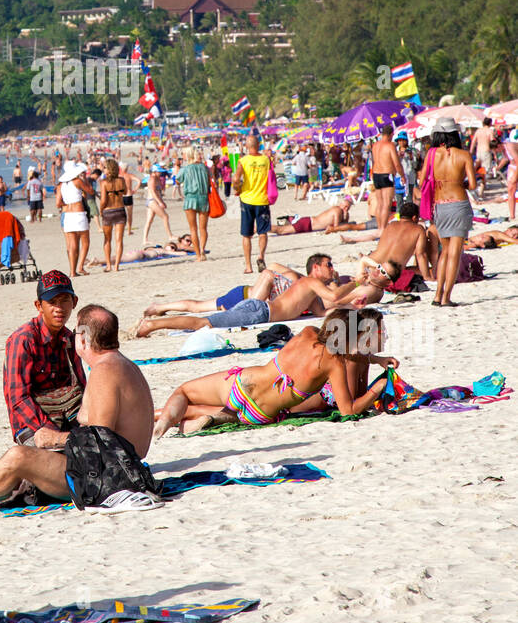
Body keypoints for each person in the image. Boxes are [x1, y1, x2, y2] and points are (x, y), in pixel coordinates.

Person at [0, 305, 155, 506]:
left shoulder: (104, 372)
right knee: (20, 470)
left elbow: (101, 441)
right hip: (125, 466)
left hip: (109, 475)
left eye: (76, 331)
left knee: (18, 457)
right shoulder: (123, 365)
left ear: (84, 337)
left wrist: (54, 438)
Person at [153, 308, 395, 435]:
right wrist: (378, 387)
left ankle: (160, 419)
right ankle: (190, 421)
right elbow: (347, 411)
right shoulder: (335, 364)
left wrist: (373, 358)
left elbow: (335, 346)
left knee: (185, 391)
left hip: (242, 385)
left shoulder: (308, 332)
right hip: (259, 413)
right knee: (198, 410)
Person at [135, 252, 396, 335]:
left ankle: (155, 320)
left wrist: (355, 308)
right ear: (316, 268)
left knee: (207, 318)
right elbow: (335, 298)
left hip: (259, 309)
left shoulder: (311, 289)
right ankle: (153, 324)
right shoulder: (308, 282)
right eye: (329, 265)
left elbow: (323, 311)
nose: (333, 268)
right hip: (259, 311)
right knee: (204, 322)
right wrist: (355, 284)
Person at [1, 270, 87, 443]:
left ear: (74, 302)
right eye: (52, 302)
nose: (59, 308)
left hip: (67, 418)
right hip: (32, 426)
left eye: (64, 301)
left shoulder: (70, 339)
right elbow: (18, 398)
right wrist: (50, 430)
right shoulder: (23, 340)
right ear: (39, 306)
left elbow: (82, 385)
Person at [420, 117, 476, 306]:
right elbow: (473, 184)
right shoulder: (464, 155)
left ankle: (437, 296)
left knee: (444, 253)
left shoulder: (431, 154)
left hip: (439, 206)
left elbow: (421, 182)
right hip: (459, 204)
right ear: (455, 134)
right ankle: (447, 298)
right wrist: (458, 183)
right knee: (455, 253)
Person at [233, 134, 272, 274]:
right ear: (259, 145)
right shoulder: (266, 160)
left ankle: (248, 266)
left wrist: (236, 188)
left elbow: (236, 178)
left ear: (247, 146)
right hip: (262, 199)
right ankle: (261, 255)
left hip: (247, 200)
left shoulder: (243, 160)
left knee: (246, 235)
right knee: (263, 233)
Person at [57, 161, 93, 278]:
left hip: (68, 214)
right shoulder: (77, 181)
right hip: (78, 213)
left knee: (72, 245)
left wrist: (67, 204)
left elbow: (58, 203)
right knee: (85, 242)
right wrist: (86, 179)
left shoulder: (60, 185)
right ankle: (80, 266)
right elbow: (90, 191)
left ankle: (72, 272)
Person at [178, 147, 210, 262]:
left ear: (188, 155)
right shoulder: (205, 168)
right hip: (203, 198)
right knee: (203, 228)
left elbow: (178, 180)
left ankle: (198, 255)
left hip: (190, 199)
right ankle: (202, 250)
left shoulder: (185, 169)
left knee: (193, 229)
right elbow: (211, 179)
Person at [371, 126, 405, 233]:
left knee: (380, 203)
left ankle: (379, 227)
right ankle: (383, 229)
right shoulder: (390, 145)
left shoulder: (375, 145)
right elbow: (396, 164)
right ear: (391, 134)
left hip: (376, 174)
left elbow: (378, 160)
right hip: (387, 174)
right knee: (386, 203)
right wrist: (402, 175)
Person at [98, 159, 128, 272]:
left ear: (109, 169)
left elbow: (103, 201)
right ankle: (116, 266)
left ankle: (109, 265)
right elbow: (125, 192)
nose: (103, 169)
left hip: (108, 211)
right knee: (119, 240)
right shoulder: (122, 180)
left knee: (107, 239)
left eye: (105, 167)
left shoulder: (104, 183)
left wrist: (101, 210)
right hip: (120, 210)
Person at [272, 197, 353, 234]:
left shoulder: (342, 212)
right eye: (345, 206)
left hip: (308, 223)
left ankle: (262, 228)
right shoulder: (337, 210)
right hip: (307, 223)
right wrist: (348, 223)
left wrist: (346, 217)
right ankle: (262, 228)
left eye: (348, 208)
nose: (346, 208)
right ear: (340, 204)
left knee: (281, 230)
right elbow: (337, 227)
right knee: (281, 230)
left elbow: (341, 226)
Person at [141, 166, 173, 245]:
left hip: (153, 201)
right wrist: (160, 202)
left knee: (149, 220)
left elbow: (159, 193)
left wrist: (162, 201)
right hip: (152, 201)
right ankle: (170, 236)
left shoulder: (157, 179)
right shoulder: (152, 179)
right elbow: (153, 192)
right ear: (154, 172)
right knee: (165, 216)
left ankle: (145, 240)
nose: (160, 173)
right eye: (159, 172)